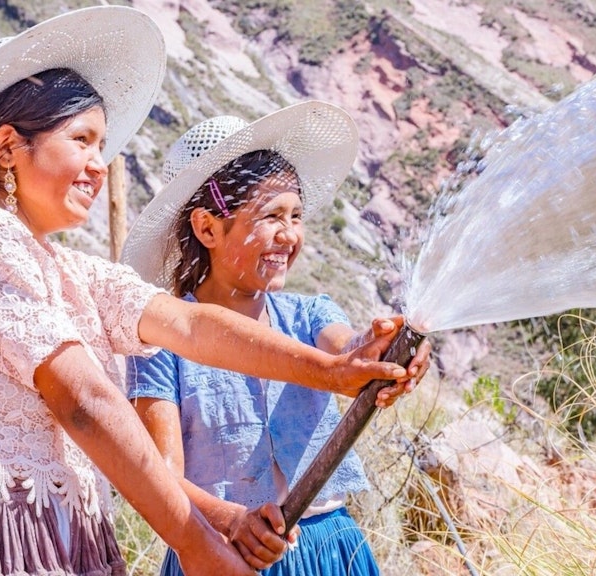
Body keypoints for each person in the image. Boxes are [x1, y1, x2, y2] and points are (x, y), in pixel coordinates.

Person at [0, 9, 411, 576]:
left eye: (102, 144)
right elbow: (85, 402)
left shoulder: (59, 265)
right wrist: (198, 546)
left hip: (27, 533)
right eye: (83, 140)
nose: (99, 163)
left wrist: (334, 370)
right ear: (8, 145)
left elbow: (189, 324)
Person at [120, 102, 432, 576]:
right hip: (222, 554)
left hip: (328, 548)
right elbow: (159, 473)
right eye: (271, 216)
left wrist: (388, 348)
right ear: (207, 227)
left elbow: (348, 348)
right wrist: (230, 520)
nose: (289, 236)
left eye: (297, 216)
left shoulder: (310, 315)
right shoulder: (160, 339)